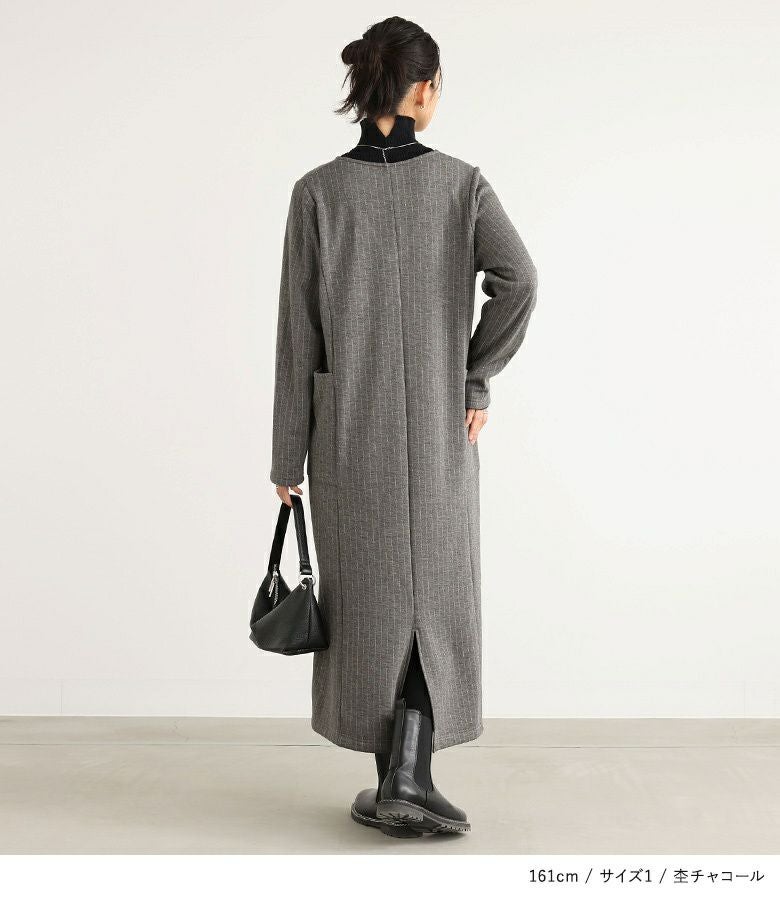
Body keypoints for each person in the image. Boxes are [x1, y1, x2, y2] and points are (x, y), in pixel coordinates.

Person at [270, 16, 538, 838]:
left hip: (348, 435)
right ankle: (411, 773)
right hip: (440, 427)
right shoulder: (462, 186)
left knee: (371, 599)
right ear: (423, 90)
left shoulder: (318, 192)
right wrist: (474, 377)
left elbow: (297, 334)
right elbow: (520, 279)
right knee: (435, 593)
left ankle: (398, 775)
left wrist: (286, 456)